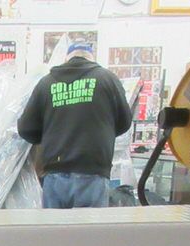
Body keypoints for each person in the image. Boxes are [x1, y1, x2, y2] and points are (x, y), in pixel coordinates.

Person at [17, 42, 132, 209]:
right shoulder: (107, 79)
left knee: (55, 225)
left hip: (55, 174)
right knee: (89, 226)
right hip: (93, 172)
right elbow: (124, 122)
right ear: (91, 59)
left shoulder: (46, 83)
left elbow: (26, 129)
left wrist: (49, 135)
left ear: (67, 59)